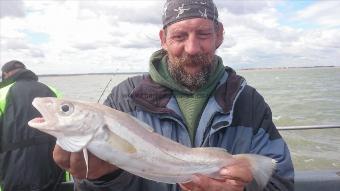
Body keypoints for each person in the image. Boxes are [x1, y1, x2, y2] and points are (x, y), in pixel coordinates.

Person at [53, 0, 294, 190]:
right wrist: (100, 179)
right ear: (163, 39)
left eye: (203, 34)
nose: (192, 48)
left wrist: (242, 190)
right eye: (179, 36)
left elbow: (280, 182)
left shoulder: (248, 102)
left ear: (219, 35)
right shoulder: (124, 98)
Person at [0, 60, 66, 191]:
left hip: (13, 176)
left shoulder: (2, 93)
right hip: (55, 172)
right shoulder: (53, 90)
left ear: (5, 74)